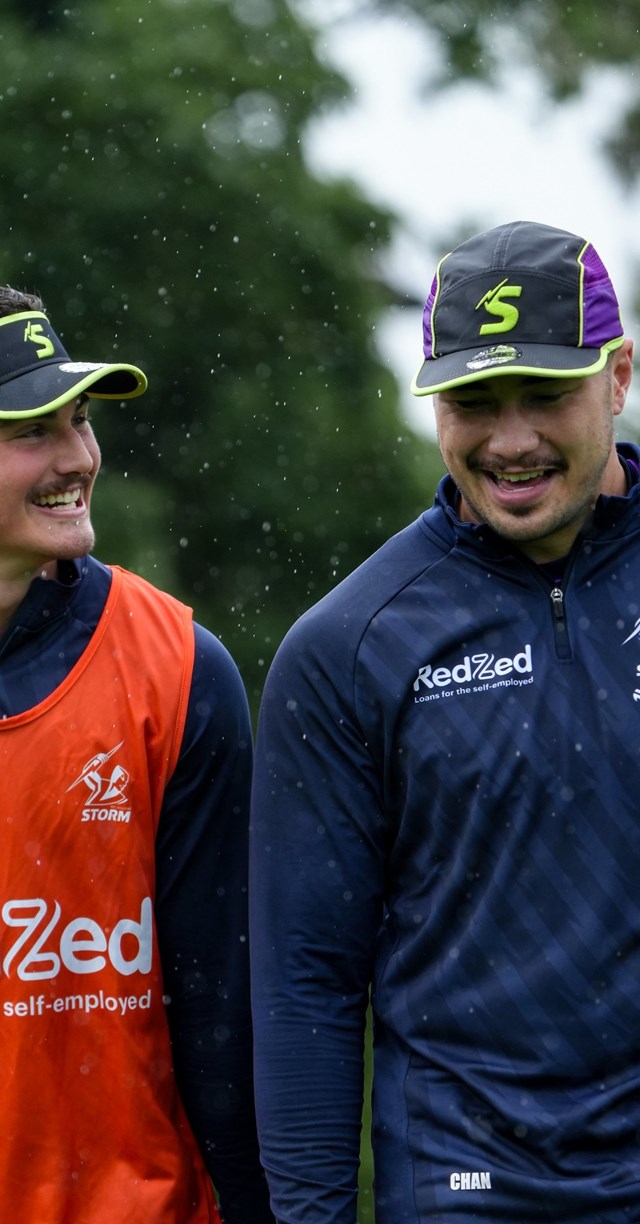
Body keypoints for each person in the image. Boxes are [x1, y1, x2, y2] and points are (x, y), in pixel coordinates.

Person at [0, 283, 273, 1223]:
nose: (79, 457)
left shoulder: (181, 666)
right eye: (32, 430)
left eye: (80, 421)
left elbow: (223, 1015)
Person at [250, 219, 640, 1222]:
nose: (510, 442)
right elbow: (305, 983)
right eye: (472, 403)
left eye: (544, 396)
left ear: (619, 376)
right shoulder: (349, 647)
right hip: (467, 1189)